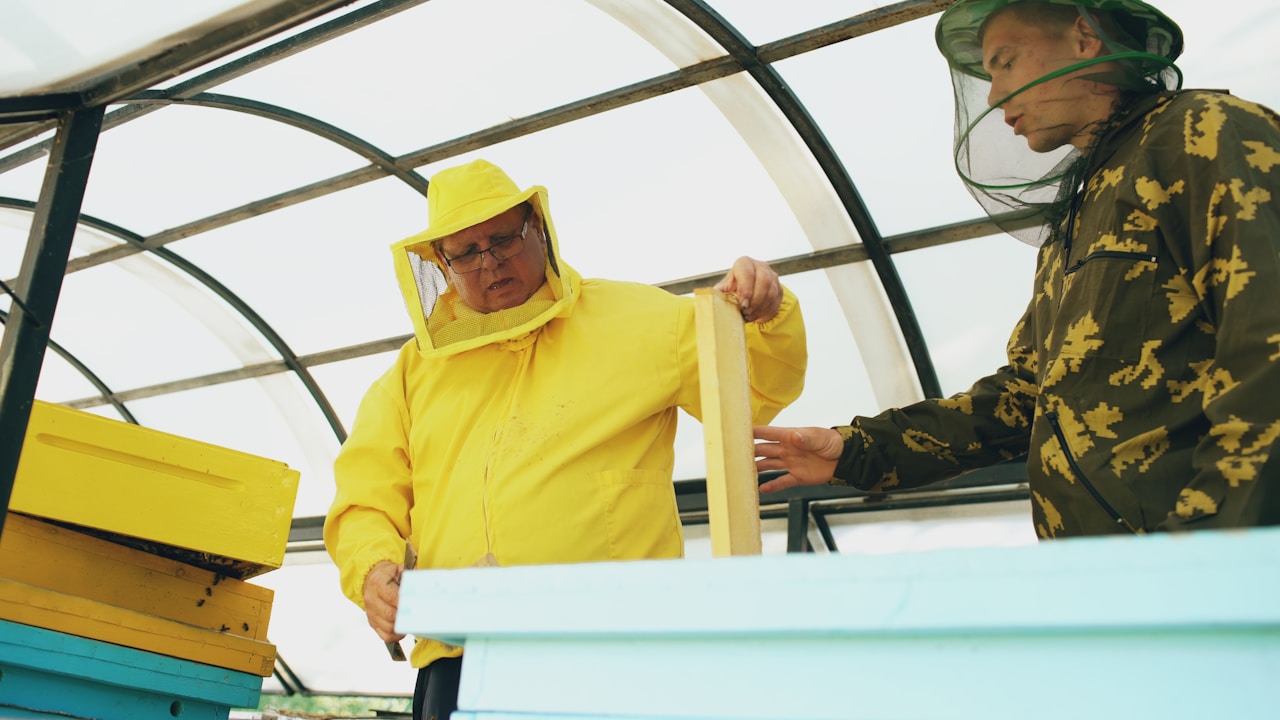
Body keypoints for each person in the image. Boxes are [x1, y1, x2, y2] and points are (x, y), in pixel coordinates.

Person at [754, 0, 1280, 539]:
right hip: (1110, 573)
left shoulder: (1203, 134)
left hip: (1206, 566)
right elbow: (1025, 397)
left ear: (1084, 38)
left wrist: (1215, 547)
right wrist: (855, 452)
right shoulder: (1078, 213)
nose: (994, 94)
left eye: (1005, 62)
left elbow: (1268, 345)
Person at [324, 158, 807, 720]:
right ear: (440, 262)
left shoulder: (640, 319)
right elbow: (364, 497)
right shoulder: (412, 372)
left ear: (537, 227)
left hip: (614, 646)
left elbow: (754, 389)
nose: (490, 262)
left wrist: (768, 312)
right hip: (458, 653)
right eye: (466, 252)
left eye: (503, 238)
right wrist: (373, 568)